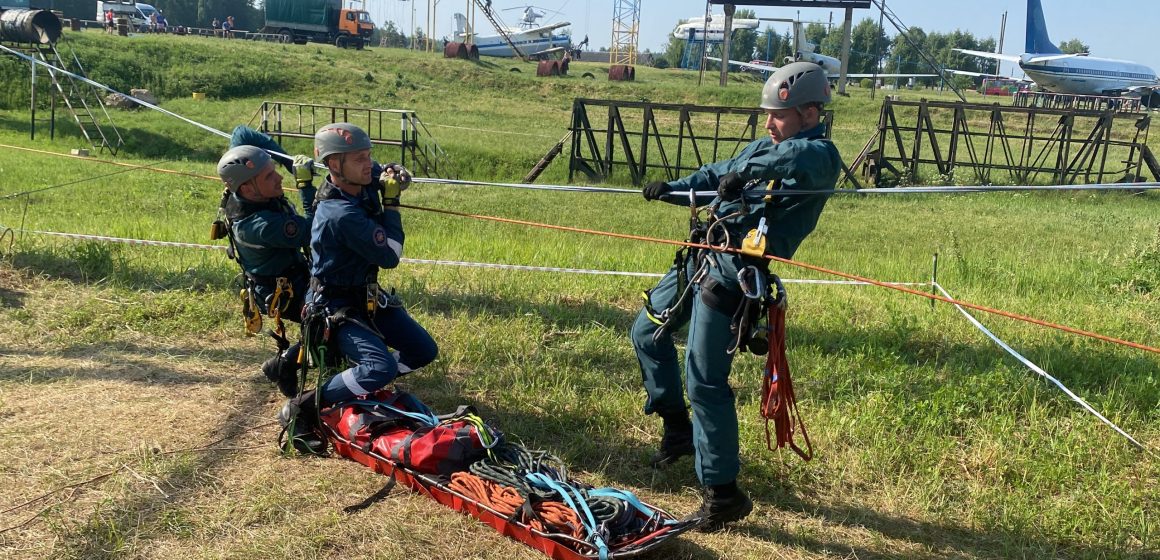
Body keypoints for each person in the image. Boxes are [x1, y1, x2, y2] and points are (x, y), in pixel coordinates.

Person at [630, 61, 842, 532]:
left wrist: (743, 172)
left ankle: (723, 492)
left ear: (809, 113)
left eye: (778, 116)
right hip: (701, 253)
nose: (768, 124)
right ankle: (678, 429)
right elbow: (719, 173)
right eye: (767, 114)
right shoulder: (765, 146)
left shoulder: (821, 155)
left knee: (705, 379)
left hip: (736, 274)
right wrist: (674, 190)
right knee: (646, 333)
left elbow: (788, 163)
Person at [280, 122, 437, 453]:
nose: (369, 164)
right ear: (335, 166)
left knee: (423, 350)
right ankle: (304, 406)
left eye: (369, 156)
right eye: (359, 159)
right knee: (379, 367)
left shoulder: (358, 179)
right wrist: (392, 204)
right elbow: (390, 255)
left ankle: (362, 379)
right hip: (335, 304)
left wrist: (397, 174)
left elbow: (386, 173)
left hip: (365, 294)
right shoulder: (339, 213)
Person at [215, 126, 318, 398]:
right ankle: (284, 364)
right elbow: (315, 229)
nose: (279, 177)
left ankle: (292, 359)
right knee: (331, 330)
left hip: (296, 275)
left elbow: (242, 134)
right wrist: (305, 186)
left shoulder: (245, 186)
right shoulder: (258, 225)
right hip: (283, 291)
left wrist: (288, 163)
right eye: (270, 175)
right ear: (249, 187)